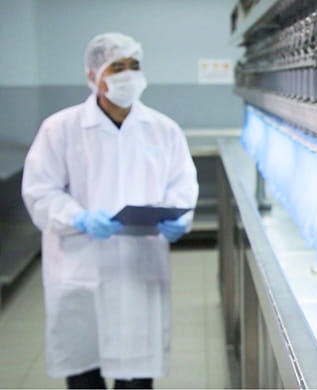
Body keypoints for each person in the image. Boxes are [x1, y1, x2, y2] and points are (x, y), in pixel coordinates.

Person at [22, 32, 199, 389]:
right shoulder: (61, 128)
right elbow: (40, 192)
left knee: (136, 376)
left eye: (134, 66)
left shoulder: (163, 129)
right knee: (85, 371)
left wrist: (181, 217)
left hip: (139, 265)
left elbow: (182, 184)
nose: (127, 74)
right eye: (116, 67)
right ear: (93, 75)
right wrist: (78, 217)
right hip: (80, 266)